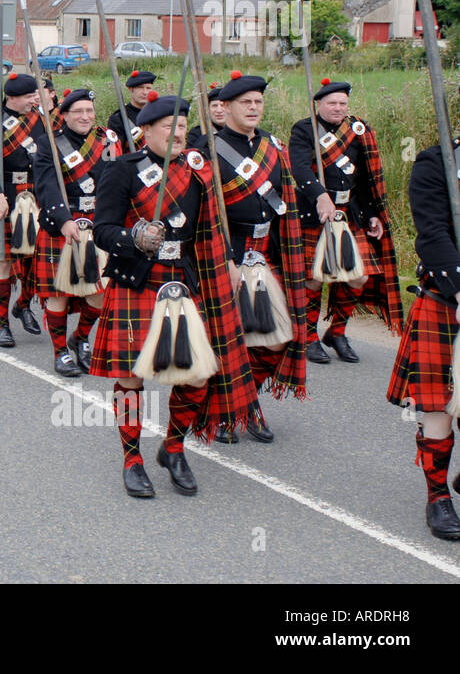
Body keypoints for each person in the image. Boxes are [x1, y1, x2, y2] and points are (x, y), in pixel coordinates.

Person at [90, 93, 259, 498]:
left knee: (198, 374)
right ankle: (132, 458)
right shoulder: (123, 171)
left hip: (184, 281)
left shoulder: (200, 170)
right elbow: (103, 230)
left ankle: (174, 445)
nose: (179, 133)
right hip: (137, 280)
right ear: (146, 131)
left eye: (183, 126)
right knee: (131, 375)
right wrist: (134, 236)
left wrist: (231, 259)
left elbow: (218, 224)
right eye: (170, 127)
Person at [209, 72, 308, 444]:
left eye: (258, 102)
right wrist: (225, 260)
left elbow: (285, 201)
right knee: (229, 340)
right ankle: (223, 409)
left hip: (265, 254)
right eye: (245, 103)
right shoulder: (210, 151)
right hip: (226, 255)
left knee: (276, 338)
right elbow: (205, 215)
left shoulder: (273, 147)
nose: (253, 108)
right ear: (227, 107)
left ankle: (246, 401)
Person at [289, 78, 404, 364]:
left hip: (349, 212)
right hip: (314, 213)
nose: (338, 108)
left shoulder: (357, 130)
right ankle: (310, 336)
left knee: (358, 276)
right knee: (314, 278)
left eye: (342, 103)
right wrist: (319, 195)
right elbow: (300, 167)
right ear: (319, 103)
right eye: (332, 103)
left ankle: (337, 332)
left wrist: (373, 213)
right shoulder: (304, 129)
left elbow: (366, 178)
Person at [387, 133, 460, 540]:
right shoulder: (435, 163)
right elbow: (431, 233)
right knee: (441, 406)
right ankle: (437, 500)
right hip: (446, 301)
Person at [32, 88, 121, 376]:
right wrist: (62, 218)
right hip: (63, 223)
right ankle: (60, 352)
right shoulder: (50, 143)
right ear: (65, 115)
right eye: (78, 112)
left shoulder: (107, 140)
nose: (85, 116)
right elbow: (45, 185)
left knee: (99, 290)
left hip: (99, 222)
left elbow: (118, 181)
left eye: (89, 111)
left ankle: (81, 338)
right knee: (57, 292)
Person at [0, 73, 52, 348]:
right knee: (4, 262)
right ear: (13, 97)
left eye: (35, 95)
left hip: (34, 198)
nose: (35, 100)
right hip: (4, 198)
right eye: (31, 96)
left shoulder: (40, 121)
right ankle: (3, 324)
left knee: (36, 261)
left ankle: (22, 304)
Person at [108, 70, 156, 152]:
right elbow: (115, 153)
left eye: (148, 88)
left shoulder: (158, 114)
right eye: (140, 87)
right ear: (130, 89)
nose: (145, 92)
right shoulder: (118, 118)